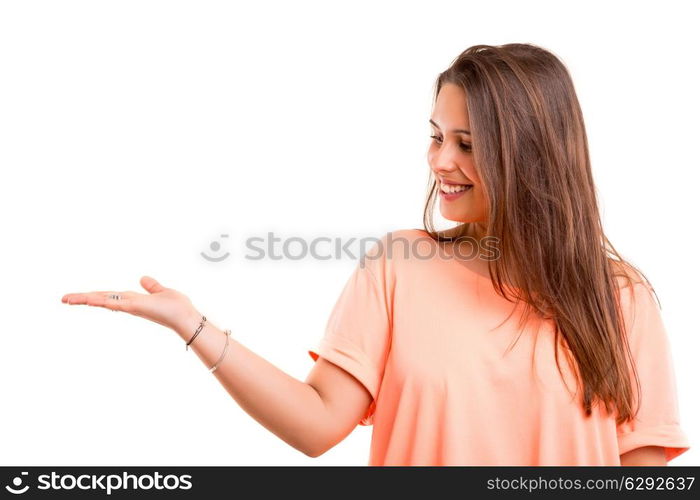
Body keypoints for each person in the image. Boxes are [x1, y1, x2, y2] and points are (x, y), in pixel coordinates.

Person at [61, 43, 690, 466]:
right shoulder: (397, 265)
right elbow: (317, 425)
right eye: (438, 137)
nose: (442, 162)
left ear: (531, 154)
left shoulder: (620, 298)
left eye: (468, 144)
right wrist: (190, 325)